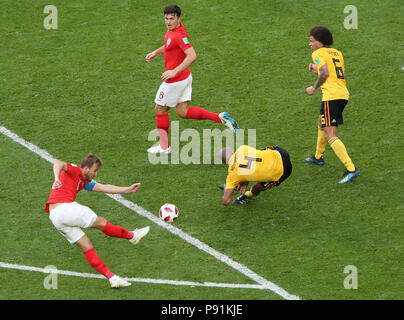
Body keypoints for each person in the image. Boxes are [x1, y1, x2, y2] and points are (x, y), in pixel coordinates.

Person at [45, 153, 150, 288]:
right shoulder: (76, 169)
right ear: (86, 168)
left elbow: (104, 187)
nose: (95, 174)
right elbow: (58, 163)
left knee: (87, 246)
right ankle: (132, 236)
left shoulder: (84, 181)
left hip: (55, 217)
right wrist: (56, 178)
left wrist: (127, 190)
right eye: (95, 171)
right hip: (64, 208)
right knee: (100, 222)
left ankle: (112, 278)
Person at [145, 4, 239, 154]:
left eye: (172, 18)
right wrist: (156, 52)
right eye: (166, 18)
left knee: (160, 108)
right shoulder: (175, 30)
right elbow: (170, 46)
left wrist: (173, 71)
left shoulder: (178, 35)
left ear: (179, 19)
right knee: (182, 111)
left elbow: (192, 55)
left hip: (175, 80)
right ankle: (220, 118)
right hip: (185, 77)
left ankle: (164, 147)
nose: (168, 21)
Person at [305, 26, 360, 184]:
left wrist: (313, 87)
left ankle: (351, 169)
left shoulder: (317, 53)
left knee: (330, 135)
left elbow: (326, 73)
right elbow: (332, 72)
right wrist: (317, 69)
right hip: (342, 94)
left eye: (312, 41)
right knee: (321, 122)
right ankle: (318, 157)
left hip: (332, 96)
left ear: (320, 42)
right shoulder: (336, 53)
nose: (310, 44)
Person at [219, 145, 292, 205]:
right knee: (260, 152)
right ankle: (240, 184)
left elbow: (226, 201)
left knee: (256, 188)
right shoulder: (242, 148)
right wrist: (244, 180)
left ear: (224, 163)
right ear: (232, 151)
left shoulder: (232, 175)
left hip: (283, 171)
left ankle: (248, 195)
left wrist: (226, 188)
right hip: (280, 152)